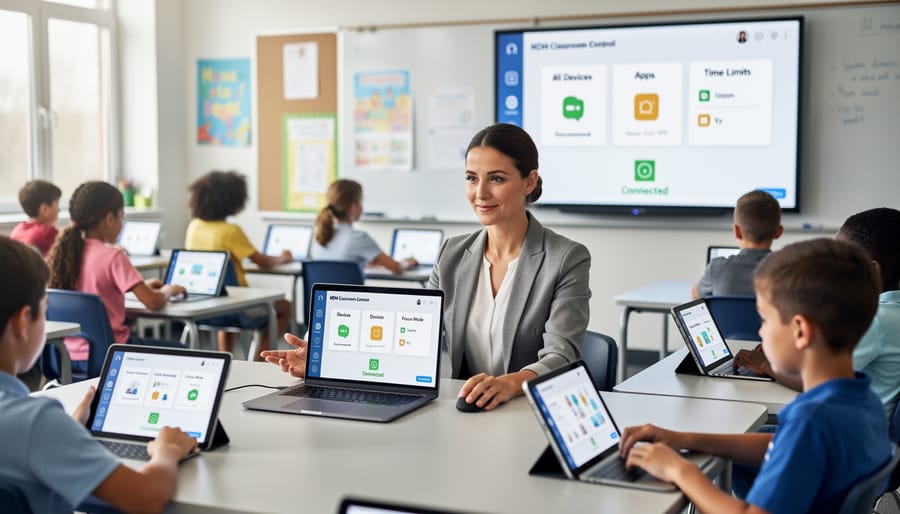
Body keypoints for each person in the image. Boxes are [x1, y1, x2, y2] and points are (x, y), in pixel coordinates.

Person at [263, 124, 592, 413]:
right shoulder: (453, 252)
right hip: (464, 408)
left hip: (527, 411)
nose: (480, 193)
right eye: (471, 178)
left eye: (497, 179)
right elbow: (414, 334)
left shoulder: (565, 258)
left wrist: (509, 384)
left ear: (529, 182)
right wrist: (328, 360)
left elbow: (562, 356)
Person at [620, 239, 892, 514]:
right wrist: (686, 438)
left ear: (800, 331)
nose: (760, 332)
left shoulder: (811, 421)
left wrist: (680, 470)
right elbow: (782, 443)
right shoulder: (859, 398)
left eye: (764, 320)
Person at [0, 235, 197, 514]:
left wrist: (70, 427)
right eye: (45, 311)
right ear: (22, 322)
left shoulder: (37, 427)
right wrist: (168, 450)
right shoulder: (36, 423)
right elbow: (146, 497)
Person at [734, 207, 900, 419]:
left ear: (872, 270)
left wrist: (766, 366)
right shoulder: (890, 312)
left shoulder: (876, 321)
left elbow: (819, 383)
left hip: (842, 435)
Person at [47, 181, 185, 372]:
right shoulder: (112, 256)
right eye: (122, 216)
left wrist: (142, 285)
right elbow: (153, 302)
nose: (122, 223)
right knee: (183, 352)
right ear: (109, 218)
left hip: (64, 358)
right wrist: (168, 290)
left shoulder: (63, 256)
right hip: (112, 355)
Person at [185, 170, 293, 355]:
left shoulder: (194, 226)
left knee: (226, 306)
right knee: (284, 307)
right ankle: (261, 360)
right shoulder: (230, 231)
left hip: (205, 305)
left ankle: (228, 360)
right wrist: (284, 257)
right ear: (232, 202)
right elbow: (263, 262)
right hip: (237, 306)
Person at [311, 179, 416, 274]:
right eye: (361, 201)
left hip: (323, 295)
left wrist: (363, 262)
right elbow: (396, 267)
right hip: (350, 296)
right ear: (353, 207)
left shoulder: (321, 236)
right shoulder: (359, 238)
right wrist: (408, 262)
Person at [691, 190, 783, 299]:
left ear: (737, 231)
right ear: (779, 232)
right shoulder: (788, 271)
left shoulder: (717, 268)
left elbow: (695, 294)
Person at [10, 180, 62, 256]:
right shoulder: (48, 232)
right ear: (44, 209)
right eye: (57, 204)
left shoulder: (16, 231)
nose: (59, 210)